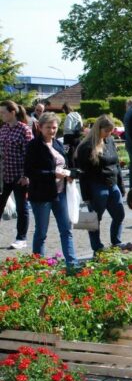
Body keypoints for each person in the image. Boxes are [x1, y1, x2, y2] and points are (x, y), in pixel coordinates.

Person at [24, 112, 78, 268]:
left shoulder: (57, 144)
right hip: (41, 195)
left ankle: (72, 264)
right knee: (41, 232)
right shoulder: (33, 146)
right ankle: (38, 265)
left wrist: (69, 173)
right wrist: (53, 174)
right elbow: (30, 171)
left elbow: (64, 164)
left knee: (66, 229)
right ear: (40, 128)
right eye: (48, 127)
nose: (52, 131)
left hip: (60, 193)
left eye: (54, 128)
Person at [75, 115, 125, 255]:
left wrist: (120, 184)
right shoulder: (86, 146)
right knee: (94, 219)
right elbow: (83, 173)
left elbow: (116, 164)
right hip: (96, 185)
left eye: (111, 131)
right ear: (99, 129)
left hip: (112, 183)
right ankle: (97, 247)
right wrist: (85, 195)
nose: (109, 134)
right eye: (107, 131)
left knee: (119, 214)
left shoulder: (109, 141)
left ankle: (116, 242)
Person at [0, 100, 33, 249]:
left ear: (12, 113)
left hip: (19, 176)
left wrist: (26, 175)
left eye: (3, 112)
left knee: (21, 207)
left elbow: (29, 154)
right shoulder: (3, 129)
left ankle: (21, 238)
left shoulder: (24, 129)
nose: (1, 115)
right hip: (4, 174)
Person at [62, 103, 83, 168]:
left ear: (65, 109)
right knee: (77, 154)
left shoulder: (69, 116)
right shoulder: (78, 115)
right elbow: (81, 125)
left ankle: (71, 170)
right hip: (77, 137)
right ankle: (77, 168)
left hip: (68, 138)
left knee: (68, 154)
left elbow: (67, 127)